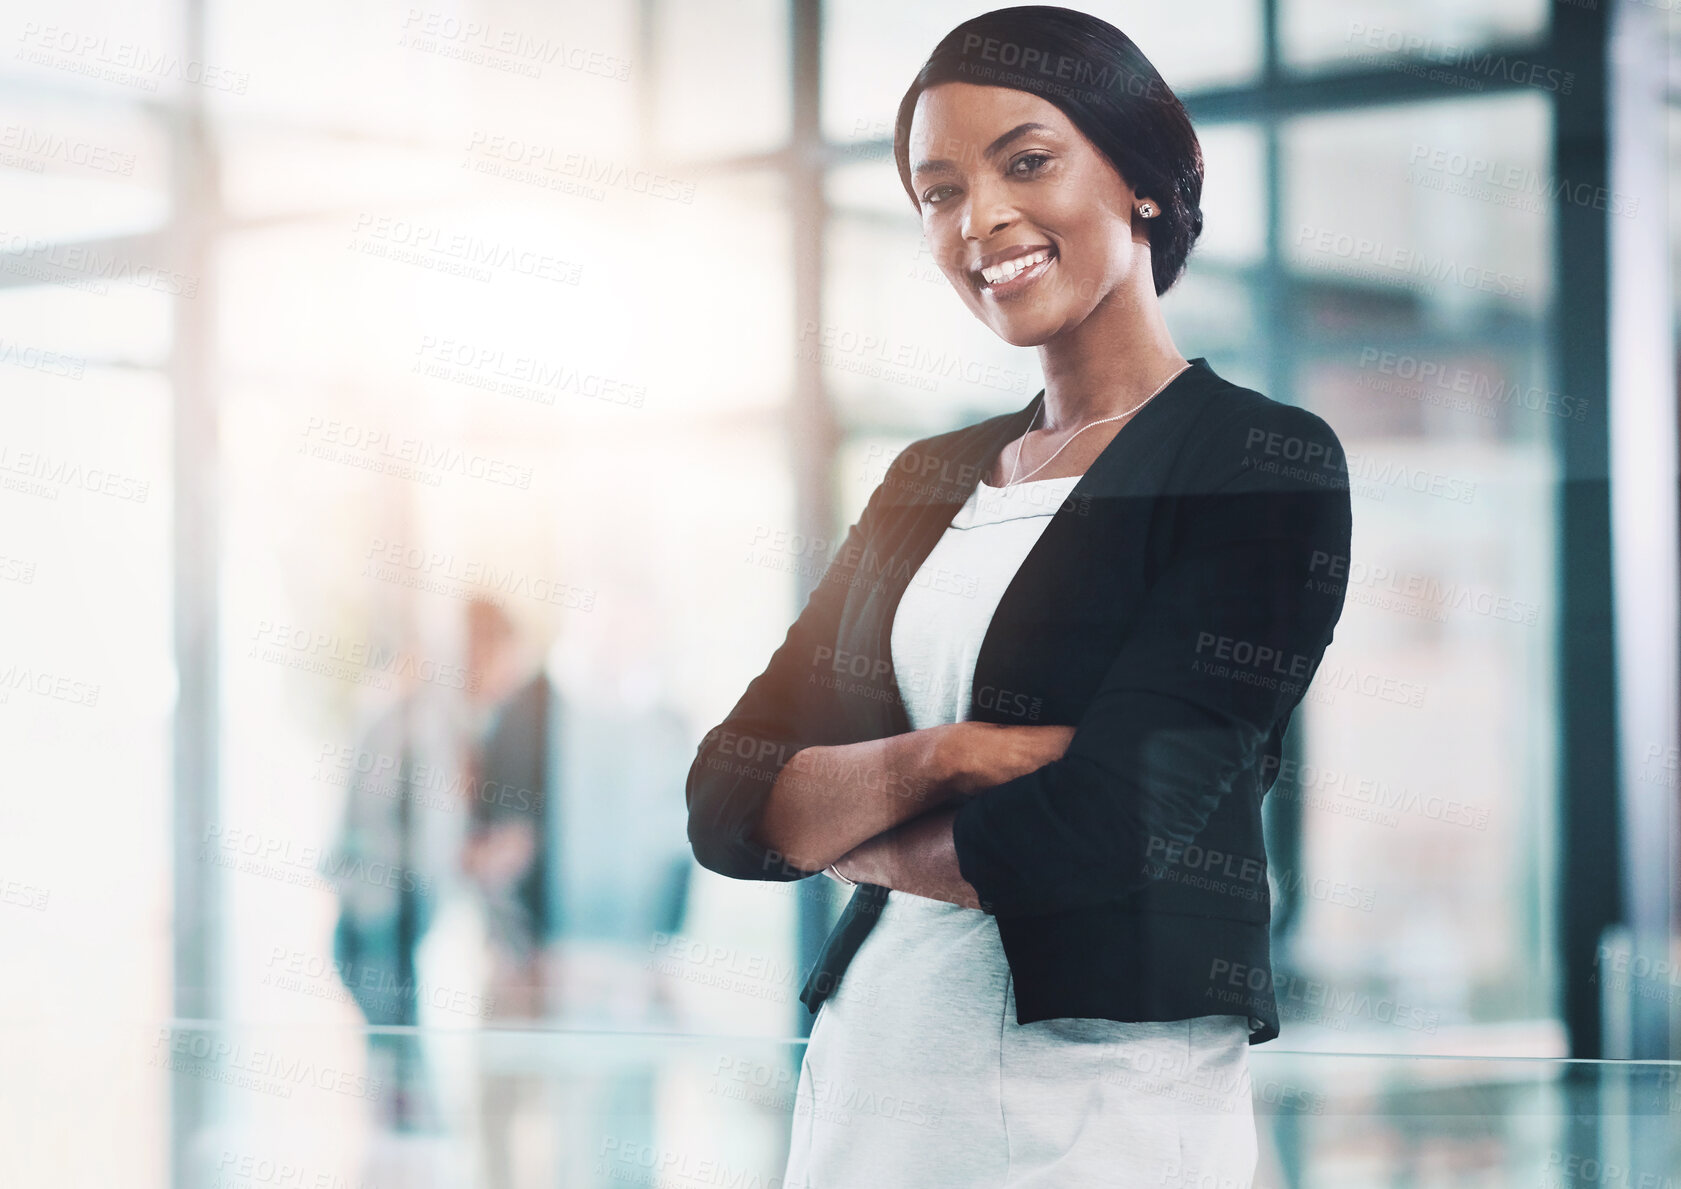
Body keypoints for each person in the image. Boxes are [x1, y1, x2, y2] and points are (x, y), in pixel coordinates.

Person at [684, 7, 1354, 1186]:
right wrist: (946, 757)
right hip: (872, 1086)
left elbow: (1099, 834)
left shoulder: (1257, 460)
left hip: (1097, 1116)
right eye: (937, 191)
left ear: (1142, 176)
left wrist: (836, 826)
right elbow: (726, 795)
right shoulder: (927, 479)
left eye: (1026, 162)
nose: (979, 219)